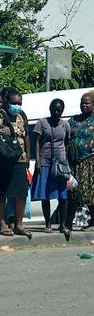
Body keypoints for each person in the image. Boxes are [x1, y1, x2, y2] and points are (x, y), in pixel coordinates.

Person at [0, 89, 32, 239]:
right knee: (1, 193)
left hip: (19, 159)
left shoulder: (22, 116)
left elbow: (26, 135)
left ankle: (19, 224)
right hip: (4, 160)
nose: (17, 106)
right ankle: (2, 224)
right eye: (14, 103)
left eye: (19, 103)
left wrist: (28, 156)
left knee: (21, 193)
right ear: (7, 102)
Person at [31, 99, 70, 237]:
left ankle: (63, 224)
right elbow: (36, 142)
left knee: (63, 196)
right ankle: (48, 223)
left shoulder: (65, 125)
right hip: (45, 162)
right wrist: (38, 161)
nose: (56, 112)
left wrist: (67, 164)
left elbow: (66, 144)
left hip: (60, 164)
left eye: (59, 110)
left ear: (62, 111)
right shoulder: (42, 123)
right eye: (54, 109)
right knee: (45, 195)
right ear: (50, 109)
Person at [67, 92, 94, 231]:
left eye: (87, 103)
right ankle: (68, 223)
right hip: (75, 162)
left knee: (90, 193)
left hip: (90, 161)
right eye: (82, 103)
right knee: (75, 192)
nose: (84, 105)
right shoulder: (74, 120)